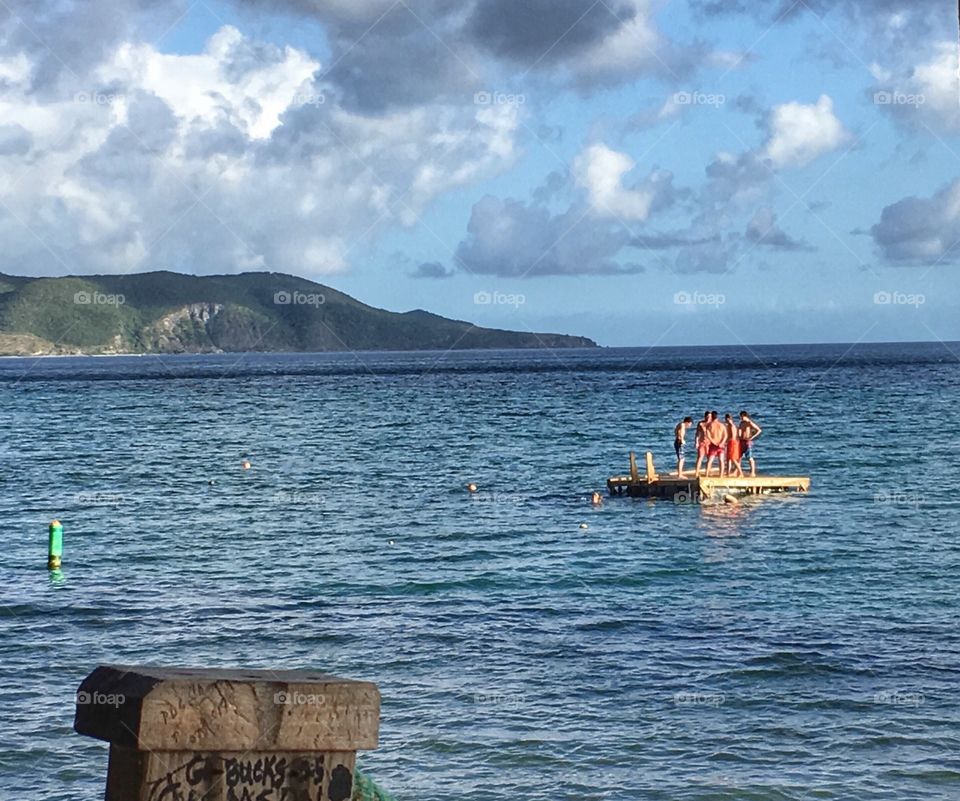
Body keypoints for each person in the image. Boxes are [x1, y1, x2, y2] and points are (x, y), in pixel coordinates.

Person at [704, 411, 728, 477]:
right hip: (721, 445)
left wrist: (714, 442)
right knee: (721, 460)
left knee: (710, 460)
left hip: (713, 445)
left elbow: (708, 435)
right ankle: (721, 475)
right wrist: (722, 443)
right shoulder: (722, 425)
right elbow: (725, 435)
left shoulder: (710, 425)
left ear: (711, 417)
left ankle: (706, 475)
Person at [738, 411, 762, 477]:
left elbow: (759, 430)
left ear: (745, 416)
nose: (741, 418)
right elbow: (739, 431)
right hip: (741, 440)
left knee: (749, 457)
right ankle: (738, 472)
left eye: (742, 417)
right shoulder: (741, 423)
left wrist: (752, 437)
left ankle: (752, 472)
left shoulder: (749, 423)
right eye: (741, 417)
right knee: (739, 457)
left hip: (747, 441)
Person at [694, 411, 711, 476]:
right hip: (702, 442)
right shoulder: (701, 423)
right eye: (708, 416)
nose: (709, 418)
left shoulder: (712, 423)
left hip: (709, 443)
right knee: (700, 457)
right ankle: (697, 472)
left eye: (710, 416)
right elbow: (697, 433)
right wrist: (696, 442)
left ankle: (707, 472)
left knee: (709, 458)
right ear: (705, 416)